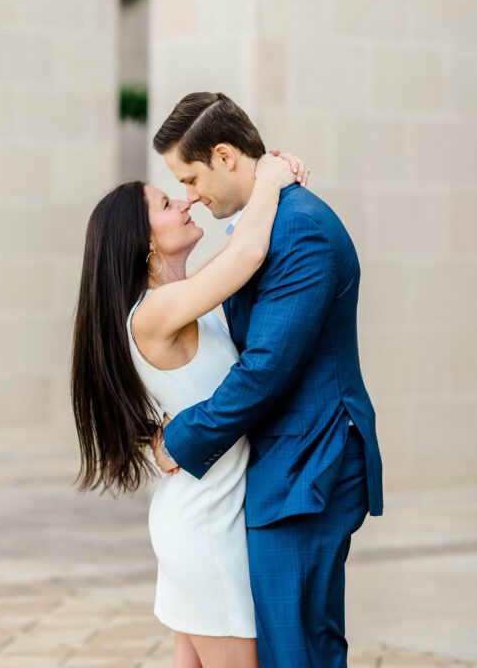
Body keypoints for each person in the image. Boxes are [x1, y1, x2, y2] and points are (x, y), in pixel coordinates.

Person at [151, 92, 383, 668]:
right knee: (288, 646)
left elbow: (264, 372)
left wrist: (178, 440)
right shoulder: (263, 224)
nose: (190, 197)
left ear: (226, 156)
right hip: (283, 465)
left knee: (298, 649)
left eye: (191, 177)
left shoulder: (300, 230)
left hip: (310, 464)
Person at [71, 150, 309, 668]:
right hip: (205, 528)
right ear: (145, 240)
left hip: (197, 515)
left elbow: (238, 255)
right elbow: (246, 256)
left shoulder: (180, 297)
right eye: (165, 203)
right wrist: (269, 177)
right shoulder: (155, 310)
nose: (184, 203)